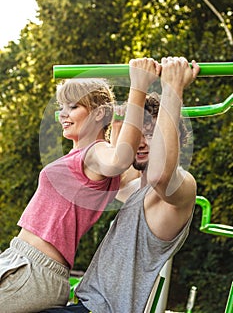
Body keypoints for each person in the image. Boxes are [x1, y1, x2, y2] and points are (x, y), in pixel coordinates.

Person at [39, 56, 200, 313]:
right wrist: (120, 117)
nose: (142, 142)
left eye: (152, 134)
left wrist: (172, 88)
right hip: (83, 305)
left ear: (175, 139)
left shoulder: (181, 187)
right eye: (140, 133)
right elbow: (114, 157)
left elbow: (160, 174)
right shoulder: (134, 188)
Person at [0, 57, 160, 313]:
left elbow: (120, 159)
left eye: (73, 106)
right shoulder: (78, 155)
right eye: (62, 106)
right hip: (18, 257)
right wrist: (119, 120)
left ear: (97, 113)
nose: (63, 114)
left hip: (35, 270)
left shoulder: (96, 153)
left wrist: (138, 88)